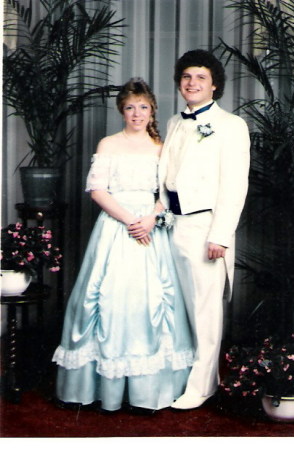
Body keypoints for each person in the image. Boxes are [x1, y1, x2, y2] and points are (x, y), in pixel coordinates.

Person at [52, 78, 193, 414]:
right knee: (108, 299)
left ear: (152, 110)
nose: (137, 113)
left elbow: (170, 193)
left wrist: (151, 219)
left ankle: (150, 390)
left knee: (153, 300)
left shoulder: (162, 145)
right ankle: (101, 387)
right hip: (117, 228)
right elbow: (99, 191)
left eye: (143, 107)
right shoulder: (108, 144)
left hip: (151, 228)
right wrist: (132, 221)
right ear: (121, 110)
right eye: (130, 107)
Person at [158, 49, 250, 409]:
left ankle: (203, 386)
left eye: (200, 77)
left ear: (215, 85)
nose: (192, 83)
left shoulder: (231, 125)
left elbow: (234, 185)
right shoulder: (173, 122)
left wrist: (220, 235)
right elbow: (165, 178)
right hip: (172, 224)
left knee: (205, 310)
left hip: (205, 226)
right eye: (186, 77)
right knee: (177, 306)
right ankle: (181, 377)